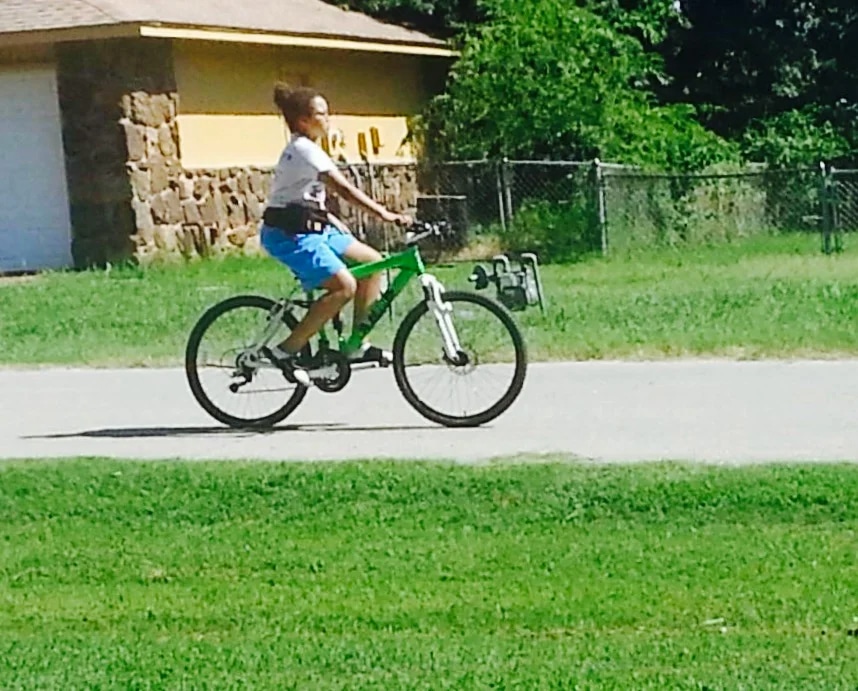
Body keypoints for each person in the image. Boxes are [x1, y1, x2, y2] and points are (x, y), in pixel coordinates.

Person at [259, 83, 412, 386]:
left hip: (314, 228)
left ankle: (355, 345)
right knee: (344, 286)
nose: (328, 119)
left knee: (374, 263)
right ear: (303, 120)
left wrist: (331, 219)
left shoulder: (311, 149)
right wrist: (384, 214)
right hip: (288, 234)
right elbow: (342, 188)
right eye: (322, 114)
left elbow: (307, 196)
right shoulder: (303, 149)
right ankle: (286, 350)